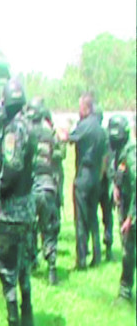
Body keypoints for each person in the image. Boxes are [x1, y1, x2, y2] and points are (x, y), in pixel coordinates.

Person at [0, 78, 35, 326]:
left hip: (9, 213)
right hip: (26, 210)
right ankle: (28, 317)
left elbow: (12, 168)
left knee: (7, 270)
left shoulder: (13, 131)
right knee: (24, 266)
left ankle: (14, 320)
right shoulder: (28, 126)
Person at [63, 92, 105, 269]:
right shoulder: (100, 128)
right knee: (93, 217)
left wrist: (63, 129)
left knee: (80, 217)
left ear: (86, 108)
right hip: (96, 176)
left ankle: (81, 259)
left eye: (80, 106)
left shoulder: (85, 125)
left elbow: (67, 139)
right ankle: (97, 255)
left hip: (84, 175)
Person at [25, 97, 61, 285]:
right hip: (47, 186)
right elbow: (58, 156)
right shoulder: (50, 133)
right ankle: (52, 269)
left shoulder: (24, 131)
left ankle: (32, 262)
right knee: (49, 229)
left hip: (30, 188)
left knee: (30, 227)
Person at [107, 115, 136, 302]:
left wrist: (131, 217)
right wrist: (114, 189)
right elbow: (116, 173)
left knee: (128, 251)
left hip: (133, 208)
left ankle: (125, 292)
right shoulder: (119, 151)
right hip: (125, 204)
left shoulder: (131, 153)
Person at [94, 106, 114, 261]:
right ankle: (107, 247)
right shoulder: (105, 134)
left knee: (102, 215)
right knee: (107, 216)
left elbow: (105, 158)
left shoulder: (100, 135)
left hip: (102, 180)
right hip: (105, 179)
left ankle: (103, 248)